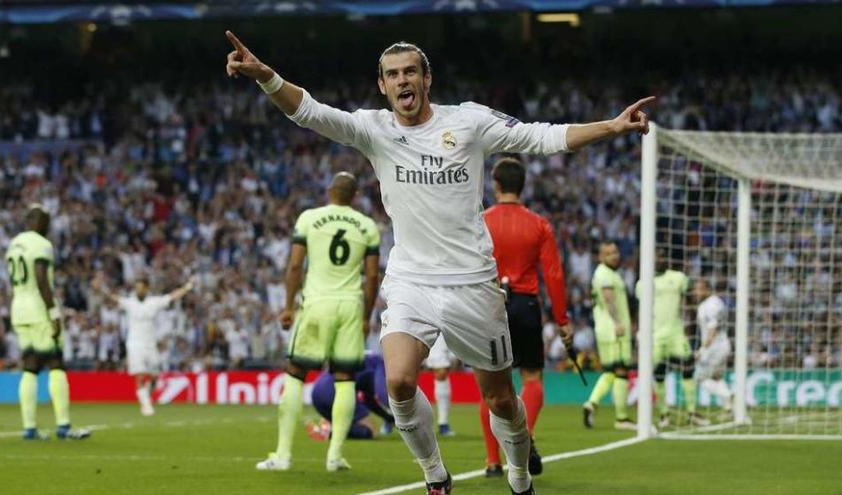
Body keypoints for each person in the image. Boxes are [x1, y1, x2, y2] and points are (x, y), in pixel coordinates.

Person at [225, 31, 652, 495]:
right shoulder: (375, 130)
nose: (402, 80)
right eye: (393, 75)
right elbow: (308, 112)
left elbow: (540, 136)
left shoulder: (468, 121)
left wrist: (609, 127)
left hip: (473, 283)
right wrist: (266, 75)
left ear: (427, 79)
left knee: (500, 398)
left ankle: (520, 474)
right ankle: (435, 475)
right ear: (382, 86)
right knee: (401, 382)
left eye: (410, 71)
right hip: (412, 280)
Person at [255, 172, 381, 473]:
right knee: (346, 379)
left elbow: (296, 264)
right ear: (354, 196)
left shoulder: (309, 218)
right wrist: (365, 316)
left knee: (296, 373)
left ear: (329, 192)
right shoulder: (367, 226)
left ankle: (283, 455)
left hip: (317, 303)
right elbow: (373, 276)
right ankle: (335, 456)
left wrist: (287, 307)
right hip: (350, 305)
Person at [480, 157, 572, 478]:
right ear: (523, 186)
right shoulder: (539, 224)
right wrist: (562, 320)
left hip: (490, 304)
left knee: (490, 385)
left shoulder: (481, 221)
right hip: (527, 306)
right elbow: (554, 274)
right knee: (532, 378)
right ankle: (525, 435)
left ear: (496, 184)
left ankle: (492, 462)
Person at [5, 204, 90, 440]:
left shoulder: (14, 244)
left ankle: (29, 428)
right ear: (36, 220)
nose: (49, 226)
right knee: (56, 363)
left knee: (30, 367)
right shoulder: (41, 245)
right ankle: (64, 426)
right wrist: (53, 313)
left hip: (19, 309)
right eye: (46, 221)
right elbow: (41, 278)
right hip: (38, 309)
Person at [97, 276, 194, 416]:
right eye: (136, 288)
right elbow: (114, 298)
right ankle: (146, 405)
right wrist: (101, 289)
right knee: (140, 374)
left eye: (141, 288)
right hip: (134, 343)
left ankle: (145, 396)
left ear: (147, 288)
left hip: (150, 344)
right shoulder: (130, 303)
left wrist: (187, 287)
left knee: (155, 376)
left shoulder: (153, 302)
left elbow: (172, 296)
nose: (138, 290)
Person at [635, 250, 709, 427]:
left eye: (662, 257)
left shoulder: (678, 278)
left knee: (688, 367)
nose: (659, 260)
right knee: (658, 374)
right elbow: (640, 310)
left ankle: (692, 412)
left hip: (676, 333)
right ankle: (664, 414)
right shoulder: (642, 284)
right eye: (656, 257)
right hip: (654, 336)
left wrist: (693, 324)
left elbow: (689, 301)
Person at [583, 241, 634, 430]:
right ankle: (621, 418)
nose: (615, 255)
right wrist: (618, 322)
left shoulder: (610, 273)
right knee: (621, 370)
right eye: (609, 253)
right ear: (601, 256)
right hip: (613, 329)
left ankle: (591, 403)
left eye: (616, 252)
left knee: (611, 371)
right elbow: (608, 298)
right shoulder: (604, 273)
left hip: (606, 329)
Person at [307, 353, 394, 441]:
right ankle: (329, 430)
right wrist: (402, 412)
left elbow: (369, 400)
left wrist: (388, 417)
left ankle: (329, 427)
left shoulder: (368, 359)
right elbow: (381, 393)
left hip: (317, 391)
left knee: (350, 424)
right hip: (335, 391)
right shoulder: (380, 363)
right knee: (372, 431)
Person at [693, 279, 733, 414]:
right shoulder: (716, 302)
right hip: (723, 345)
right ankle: (728, 408)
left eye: (699, 289)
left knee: (699, 379)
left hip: (714, 347)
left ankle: (728, 395)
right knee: (717, 377)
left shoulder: (710, 306)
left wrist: (702, 349)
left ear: (707, 289)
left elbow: (712, 330)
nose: (696, 292)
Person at [424, 334, 457, 437]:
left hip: (451, 325)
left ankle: (443, 423)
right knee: (440, 371)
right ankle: (391, 417)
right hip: (430, 324)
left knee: (443, 371)